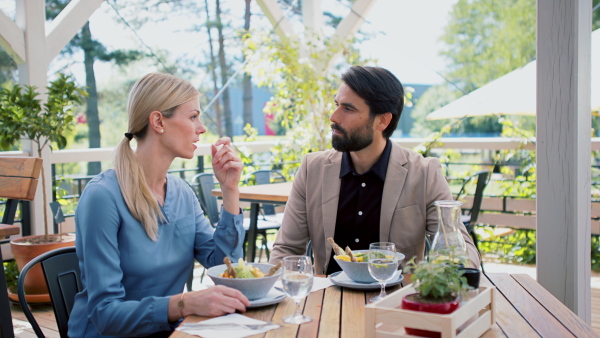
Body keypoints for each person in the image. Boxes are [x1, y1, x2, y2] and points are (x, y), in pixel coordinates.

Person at [68, 73, 250, 337]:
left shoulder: (182, 193)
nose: (201, 128)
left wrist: (229, 190)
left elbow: (224, 265)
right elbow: (104, 313)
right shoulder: (102, 197)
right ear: (158, 121)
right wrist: (184, 303)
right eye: (192, 116)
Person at [269, 66, 480, 275]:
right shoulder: (312, 169)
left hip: (395, 300)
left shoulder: (424, 174)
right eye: (336, 105)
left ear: (383, 120)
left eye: (348, 109)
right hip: (326, 300)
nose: (333, 117)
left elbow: (459, 249)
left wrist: (453, 274)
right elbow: (286, 249)